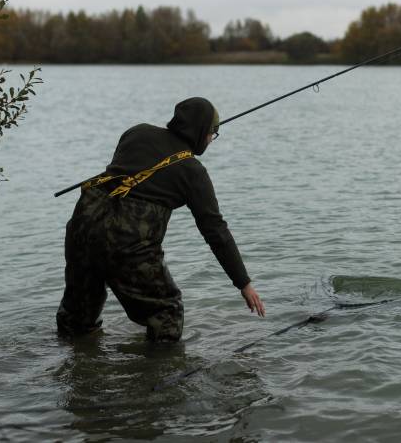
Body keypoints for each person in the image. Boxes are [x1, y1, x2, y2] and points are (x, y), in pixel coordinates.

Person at [56, 97, 264, 341]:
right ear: (199, 132)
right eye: (211, 134)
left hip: (83, 224)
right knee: (166, 311)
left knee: (78, 314)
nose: (210, 140)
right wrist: (243, 283)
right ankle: (159, 375)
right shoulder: (193, 171)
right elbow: (215, 230)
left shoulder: (137, 132)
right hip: (128, 240)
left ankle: (72, 368)